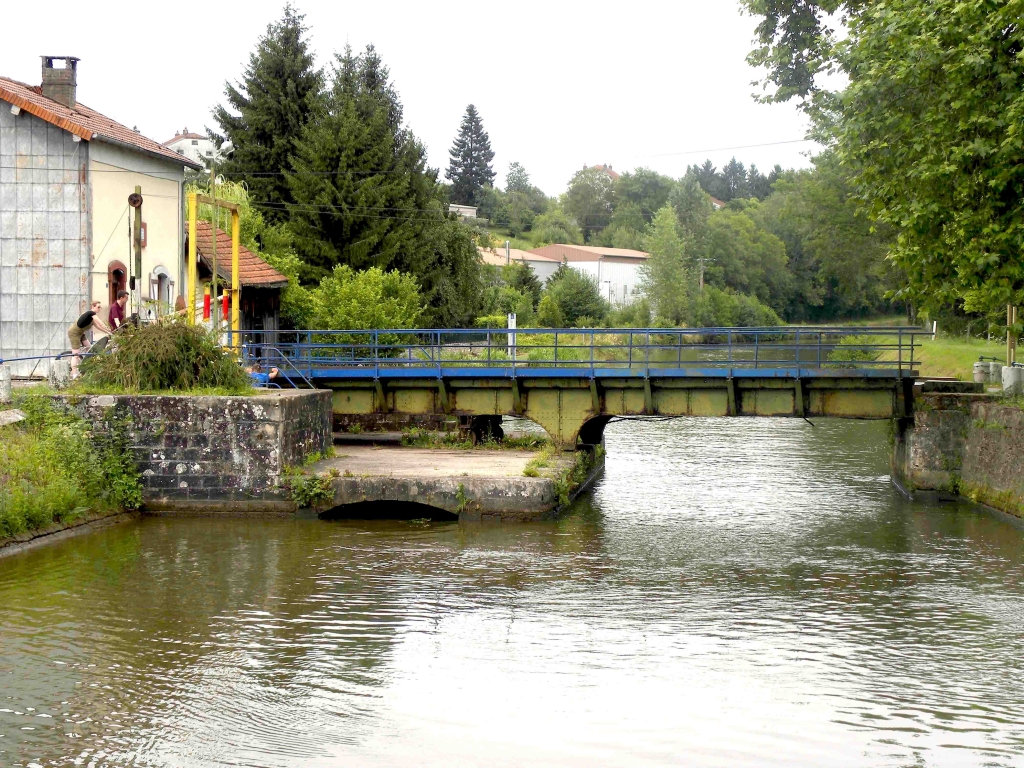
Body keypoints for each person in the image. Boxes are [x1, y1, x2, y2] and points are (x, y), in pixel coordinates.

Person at [67, 301, 111, 378]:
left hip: (81, 333)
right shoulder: (91, 313)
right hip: (74, 333)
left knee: (90, 349)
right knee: (76, 355)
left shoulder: (92, 317)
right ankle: (74, 374)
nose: (99, 309)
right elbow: (100, 323)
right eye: (98, 307)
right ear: (93, 307)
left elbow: (98, 327)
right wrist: (107, 328)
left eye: (100, 307)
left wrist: (109, 332)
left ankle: (86, 366)